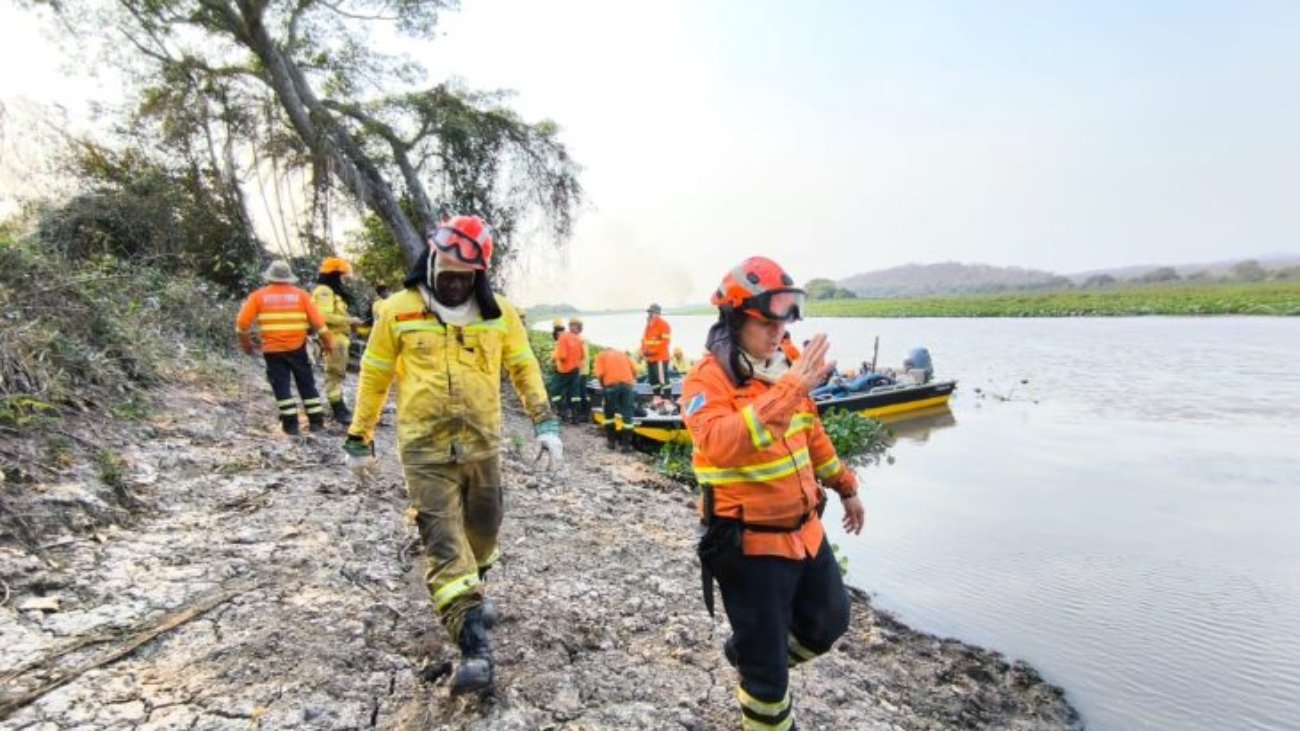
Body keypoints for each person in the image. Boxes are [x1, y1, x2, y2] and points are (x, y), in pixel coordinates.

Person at [342, 215, 563, 696]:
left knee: (483, 533)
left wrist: (545, 422)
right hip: (424, 450)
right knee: (444, 542)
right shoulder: (396, 312)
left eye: (468, 276)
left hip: (483, 445)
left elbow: (523, 368)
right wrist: (359, 437)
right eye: (450, 272)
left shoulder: (499, 314)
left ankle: (473, 589)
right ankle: (473, 647)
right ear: (432, 260)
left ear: (480, 274)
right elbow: (375, 375)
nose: (456, 283)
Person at [681, 256, 865, 731]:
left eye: (784, 321)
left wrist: (845, 486)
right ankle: (761, 672)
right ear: (736, 320)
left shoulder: (789, 367)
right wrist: (789, 389)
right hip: (749, 545)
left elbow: (812, 434)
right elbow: (720, 444)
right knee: (767, 680)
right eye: (767, 322)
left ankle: (747, 650)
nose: (777, 332)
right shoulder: (707, 379)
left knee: (829, 621)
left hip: (805, 533)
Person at [235, 260, 334, 434]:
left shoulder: (258, 296)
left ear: (269, 278)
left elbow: (242, 324)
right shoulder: (302, 295)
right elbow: (319, 324)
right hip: (298, 348)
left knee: (281, 386)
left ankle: (291, 426)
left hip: (273, 351)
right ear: (288, 278)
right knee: (306, 383)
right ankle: (316, 423)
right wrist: (328, 344)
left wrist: (246, 344)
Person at [313, 257, 363, 424]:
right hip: (332, 338)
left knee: (338, 374)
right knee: (334, 374)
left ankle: (339, 406)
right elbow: (323, 316)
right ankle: (338, 410)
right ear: (334, 275)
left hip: (340, 337)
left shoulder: (333, 293)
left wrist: (353, 324)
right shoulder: (324, 291)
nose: (344, 280)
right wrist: (350, 321)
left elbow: (337, 316)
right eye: (341, 276)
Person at [593, 347, 638, 451]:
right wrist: (631, 381)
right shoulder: (623, 354)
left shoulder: (601, 355)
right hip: (627, 386)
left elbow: (600, 374)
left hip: (611, 386)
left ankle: (611, 444)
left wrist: (602, 386)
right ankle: (626, 446)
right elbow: (635, 370)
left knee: (609, 416)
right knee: (628, 415)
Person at [552, 319, 585, 424]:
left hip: (564, 370)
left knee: (556, 391)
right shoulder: (578, 339)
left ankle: (563, 415)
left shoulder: (563, 338)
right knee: (575, 393)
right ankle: (576, 417)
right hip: (576, 369)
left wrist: (554, 357)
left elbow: (562, 356)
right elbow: (582, 356)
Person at [641, 303, 673, 401]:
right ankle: (657, 398)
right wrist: (643, 351)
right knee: (653, 380)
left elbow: (665, 342)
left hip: (660, 358)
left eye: (652, 312)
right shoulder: (648, 325)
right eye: (649, 312)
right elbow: (643, 340)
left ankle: (668, 401)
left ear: (658, 313)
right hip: (649, 358)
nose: (649, 314)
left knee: (663, 380)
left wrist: (653, 351)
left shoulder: (664, 325)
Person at [570, 318, 592, 418]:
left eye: (573, 326)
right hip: (575, 371)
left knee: (581, 393)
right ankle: (578, 413)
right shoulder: (573, 339)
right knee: (576, 393)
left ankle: (585, 414)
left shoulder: (581, 340)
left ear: (579, 328)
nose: (571, 328)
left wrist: (577, 368)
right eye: (570, 325)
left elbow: (583, 357)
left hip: (580, 371)